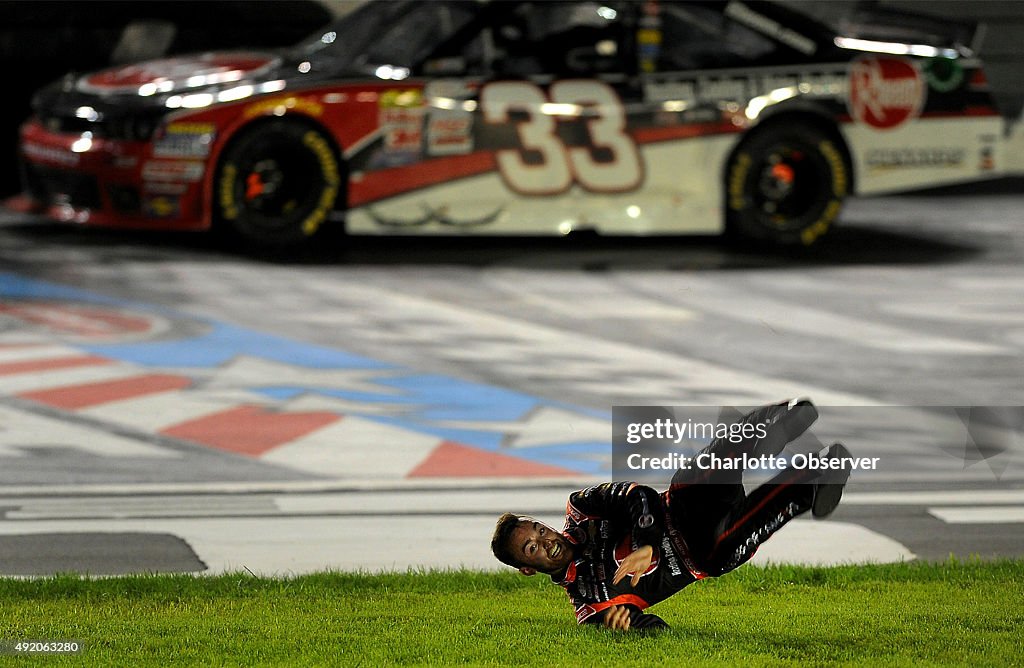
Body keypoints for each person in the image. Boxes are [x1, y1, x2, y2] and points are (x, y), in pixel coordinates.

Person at [490, 398, 854, 632]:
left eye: (538, 530)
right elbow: (659, 630)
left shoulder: (581, 508)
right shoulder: (589, 606)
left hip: (682, 505)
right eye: (532, 548)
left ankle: (772, 423)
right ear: (526, 568)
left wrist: (647, 543)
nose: (545, 541)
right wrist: (628, 628)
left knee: (695, 477)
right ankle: (814, 480)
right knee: (721, 553)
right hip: (701, 553)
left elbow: (638, 494)